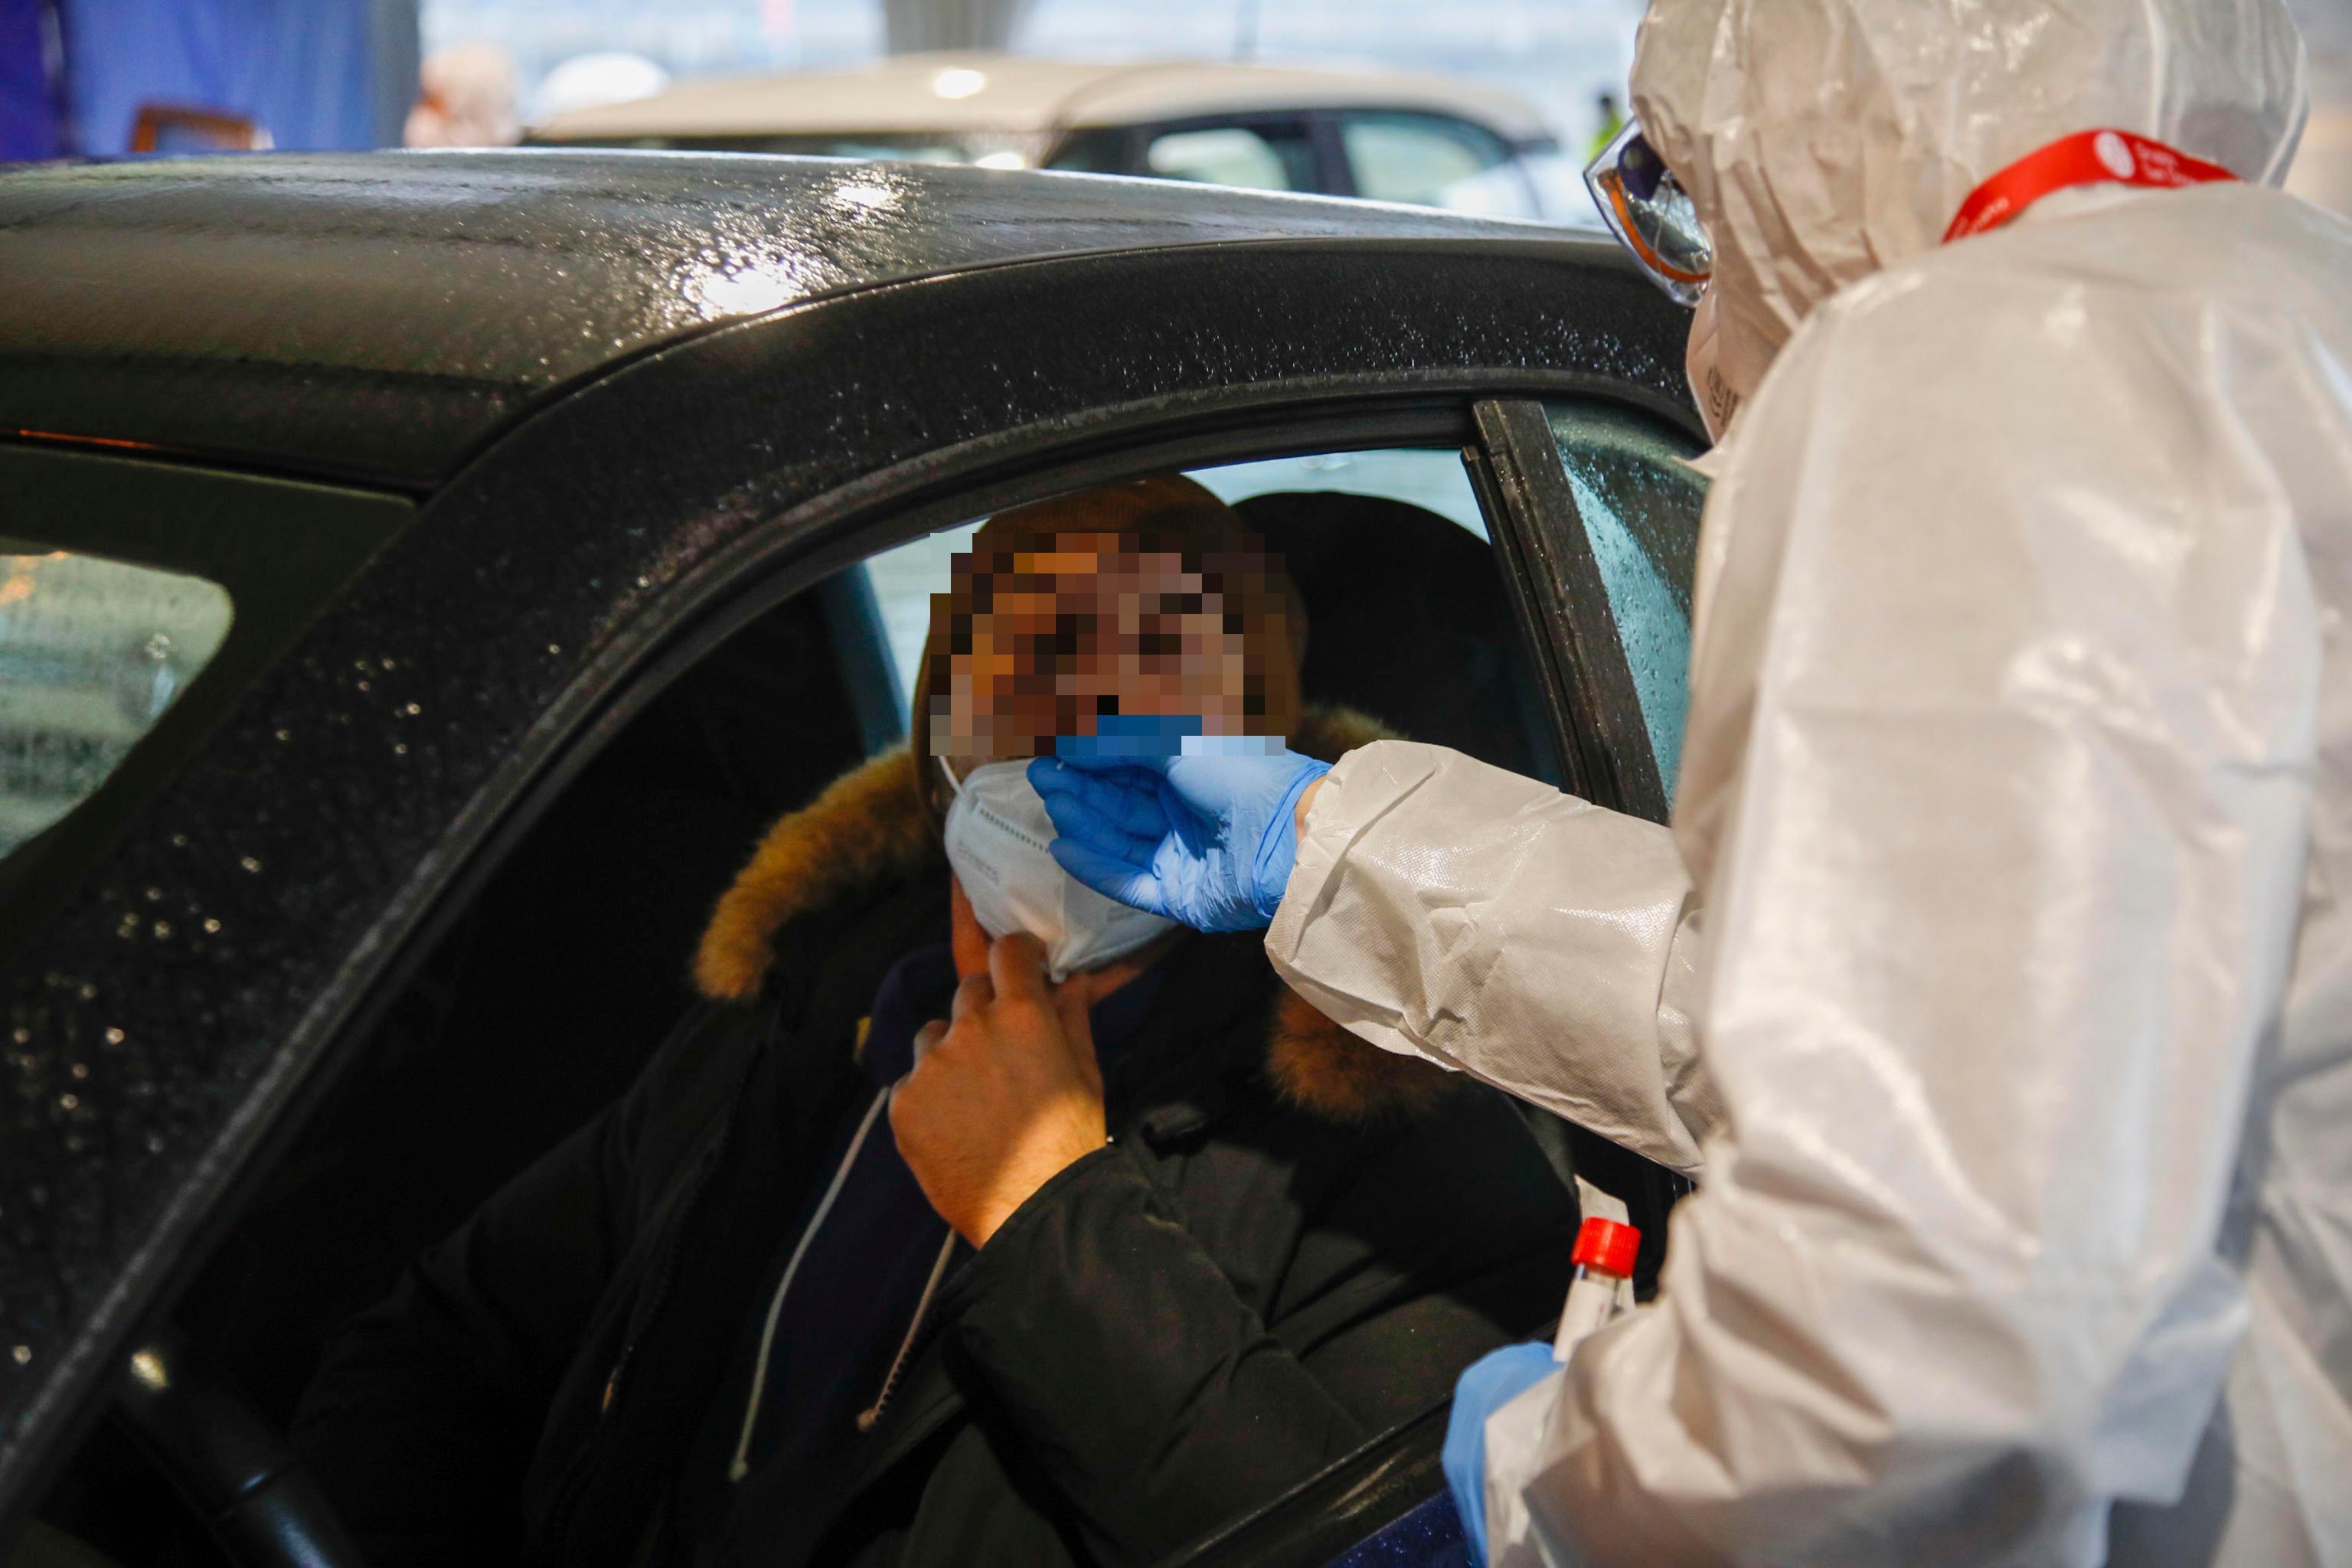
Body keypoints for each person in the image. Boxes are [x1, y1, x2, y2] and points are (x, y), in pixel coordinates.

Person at [1031, 1, 2352, 1562]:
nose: (1692, 270)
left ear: (1810, 102)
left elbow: (1920, 1342)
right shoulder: (2278, 306)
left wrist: (1553, 1486)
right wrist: (1331, 837)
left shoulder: (1974, 371)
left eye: (1685, 182)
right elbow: (1951, 1015)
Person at [290, 476, 1579, 1568]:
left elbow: (1347, 1542)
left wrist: (1047, 1213)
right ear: (936, 732)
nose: (1075, 718)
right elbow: (449, 1342)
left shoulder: (1404, 1149)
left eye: (1152, 661)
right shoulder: (809, 1005)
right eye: (1023, 657)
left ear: (1257, 743)